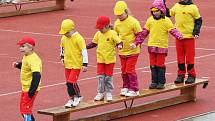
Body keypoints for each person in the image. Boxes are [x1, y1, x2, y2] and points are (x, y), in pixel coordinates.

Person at [135, 0, 183, 89]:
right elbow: (144, 33)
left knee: (160, 65)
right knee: (152, 65)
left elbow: (173, 30)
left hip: (162, 47)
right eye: (153, 11)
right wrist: (137, 42)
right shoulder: (150, 20)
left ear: (162, 10)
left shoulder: (166, 21)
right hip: (152, 46)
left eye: (157, 11)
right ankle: (154, 81)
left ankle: (161, 82)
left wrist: (179, 36)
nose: (155, 13)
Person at [87, 16, 122, 101]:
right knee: (100, 77)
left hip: (109, 60)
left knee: (108, 77)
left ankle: (109, 92)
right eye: (98, 28)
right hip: (100, 59)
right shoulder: (98, 34)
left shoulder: (112, 33)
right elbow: (93, 43)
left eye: (101, 28)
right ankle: (100, 92)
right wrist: (85, 47)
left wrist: (120, 45)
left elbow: (119, 41)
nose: (99, 30)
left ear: (107, 26)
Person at [167, 0, 202, 84]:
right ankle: (180, 75)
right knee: (180, 57)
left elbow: (198, 20)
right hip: (178, 36)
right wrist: (162, 5)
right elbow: (168, 14)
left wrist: (196, 31)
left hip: (189, 37)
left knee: (190, 57)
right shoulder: (176, 5)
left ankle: (191, 75)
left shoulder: (193, 7)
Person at [113, 1, 143, 97]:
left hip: (133, 51)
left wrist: (135, 43)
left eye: (121, 14)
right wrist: (117, 44)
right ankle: (126, 86)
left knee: (130, 70)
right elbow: (115, 36)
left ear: (126, 11)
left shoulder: (134, 22)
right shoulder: (117, 23)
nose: (119, 17)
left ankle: (134, 88)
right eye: (117, 15)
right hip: (122, 52)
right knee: (124, 70)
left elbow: (140, 35)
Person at [59, 19, 88, 107]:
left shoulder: (79, 38)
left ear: (72, 30)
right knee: (68, 83)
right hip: (67, 64)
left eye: (66, 32)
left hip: (76, 64)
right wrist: (62, 57)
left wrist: (85, 64)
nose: (65, 34)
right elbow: (62, 48)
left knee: (72, 82)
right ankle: (71, 98)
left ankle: (78, 96)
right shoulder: (64, 38)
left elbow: (84, 51)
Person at [13, 37, 42, 121]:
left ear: (30, 47)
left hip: (30, 89)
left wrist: (31, 91)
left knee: (26, 110)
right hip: (25, 88)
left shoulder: (33, 59)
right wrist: (18, 65)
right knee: (23, 110)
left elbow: (37, 75)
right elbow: (26, 66)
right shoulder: (26, 56)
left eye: (23, 46)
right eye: (20, 46)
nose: (20, 48)